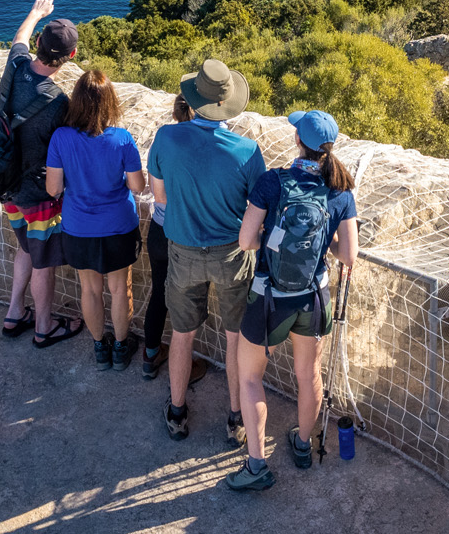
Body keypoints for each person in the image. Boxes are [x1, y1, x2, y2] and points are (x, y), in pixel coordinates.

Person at [226, 109, 358, 492]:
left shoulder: (273, 182)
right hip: (314, 298)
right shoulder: (340, 190)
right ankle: (302, 445)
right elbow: (349, 255)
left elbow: (247, 241)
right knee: (308, 375)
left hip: (269, 297)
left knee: (250, 377)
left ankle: (256, 466)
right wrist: (322, 240)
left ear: (298, 142)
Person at [147, 58, 266, 444]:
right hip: (232, 255)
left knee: (182, 334)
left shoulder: (166, 138)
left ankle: (178, 413)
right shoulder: (248, 151)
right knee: (235, 337)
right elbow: (257, 210)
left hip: (182, 251)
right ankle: (236, 419)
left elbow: (159, 196)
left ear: (194, 99)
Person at [0, 0, 85, 349]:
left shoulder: (16, 66)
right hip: (38, 195)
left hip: (7, 183)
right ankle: (44, 326)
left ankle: (15, 312)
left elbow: (18, 39)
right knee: (42, 261)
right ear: (71, 57)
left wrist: (36, 13)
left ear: (38, 44)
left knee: (25, 250)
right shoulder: (59, 102)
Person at [45, 70, 145, 370]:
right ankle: (120, 347)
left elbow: (53, 188)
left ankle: (100, 348)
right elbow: (138, 186)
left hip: (78, 227)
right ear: (110, 102)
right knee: (119, 290)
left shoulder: (61, 138)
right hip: (118, 226)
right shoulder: (122, 139)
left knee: (89, 289)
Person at [139, 96, 209, 391]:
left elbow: (159, 195)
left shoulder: (163, 139)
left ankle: (150, 355)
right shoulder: (207, 146)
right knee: (189, 305)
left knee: (159, 293)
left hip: (160, 228)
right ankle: (186, 366)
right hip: (190, 235)